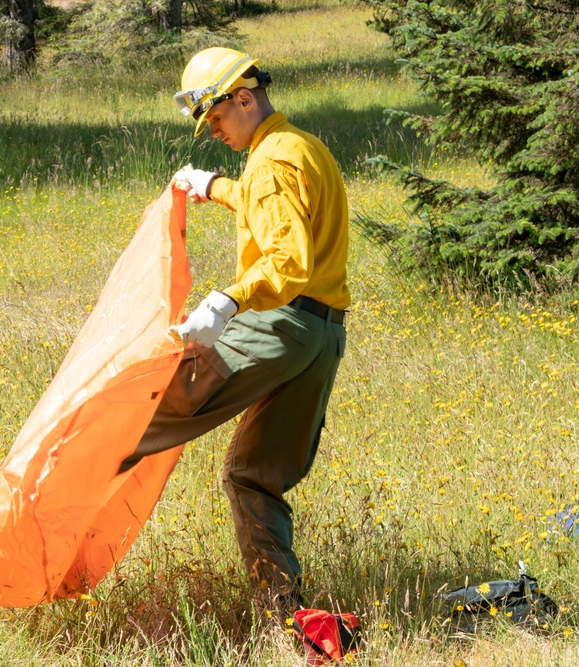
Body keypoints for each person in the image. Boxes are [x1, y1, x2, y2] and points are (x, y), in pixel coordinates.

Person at [118, 47, 350, 612]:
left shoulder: (270, 163)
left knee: (142, 412)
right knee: (252, 477)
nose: (213, 131)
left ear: (243, 98)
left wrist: (226, 300)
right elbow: (266, 203)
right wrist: (213, 184)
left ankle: (46, 505)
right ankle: (286, 613)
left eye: (217, 118)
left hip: (281, 326)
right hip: (323, 339)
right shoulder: (299, 147)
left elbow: (287, 261)